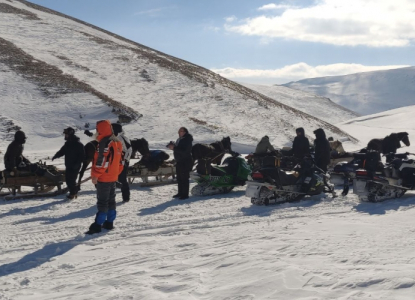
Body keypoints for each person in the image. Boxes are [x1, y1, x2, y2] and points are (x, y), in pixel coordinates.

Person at [86, 120, 124, 235]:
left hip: (104, 178)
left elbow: (101, 162)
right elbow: (121, 163)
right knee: (111, 201)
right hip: (112, 177)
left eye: (97, 129)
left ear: (100, 130)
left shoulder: (104, 143)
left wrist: (95, 176)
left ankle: (97, 225)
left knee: (103, 202)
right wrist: (115, 173)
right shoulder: (117, 143)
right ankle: (109, 222)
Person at [52, 127, 85, 200]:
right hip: (69, 165)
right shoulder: (67, 144)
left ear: (70, 134)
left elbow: (82, 156)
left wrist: (77, 164)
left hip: (75, 166)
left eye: (66, 134)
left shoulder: (78, 144)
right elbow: (62, 151)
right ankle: (74, 191)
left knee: (72, 180)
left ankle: (73, 193)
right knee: (67, 179)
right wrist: (56, 156)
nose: (65, 136)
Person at [167, 127, 193, 200]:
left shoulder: (187, 139)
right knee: (179, 178)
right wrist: (173, 146)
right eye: (179, 131)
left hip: (185, 161)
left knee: (184, 178)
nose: (180, 132)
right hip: (179, 161)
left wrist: (174, 148)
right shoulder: (179, 139)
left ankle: (185, 194)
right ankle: (180, 192)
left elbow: (185, 151)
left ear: (185, 132)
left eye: (182, 131)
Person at [111, 123, 132, 202]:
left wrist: (125, 160)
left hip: (122, 162)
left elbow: (129, 149)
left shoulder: (122, 138)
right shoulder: (113, 137)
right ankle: (111, 197)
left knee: (122, 179)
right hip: (114, 162)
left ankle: (126, 197)